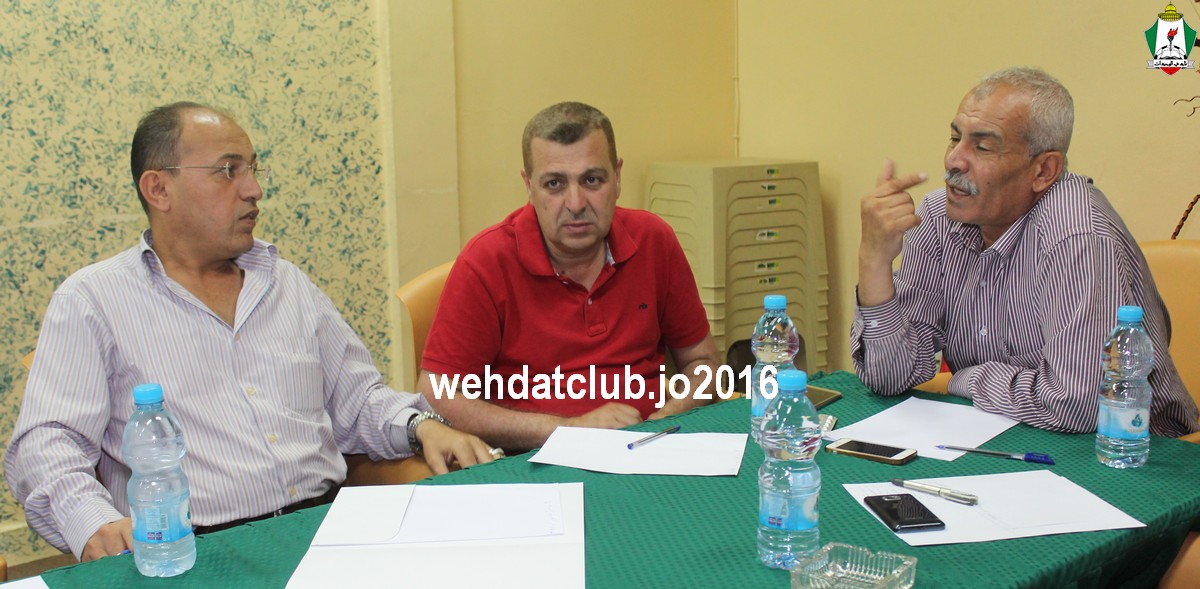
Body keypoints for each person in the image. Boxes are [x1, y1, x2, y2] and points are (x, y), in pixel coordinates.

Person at [5, 102, 495, 562]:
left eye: (254, 169)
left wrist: (421, 426)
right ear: (159, 190)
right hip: (197, 552)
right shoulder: (93, 299)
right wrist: (95, 523)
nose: (254, 189)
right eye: (228, 170)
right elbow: (48, 445)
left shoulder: (285, 282)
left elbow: (358, 400)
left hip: (326, 529)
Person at [853, 67, 1199, 437]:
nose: (954, 160)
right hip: (998, 432)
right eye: (955, 138)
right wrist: (874, 260)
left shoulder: (1077, 234)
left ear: (1044, 171)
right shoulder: (938, 217)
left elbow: (1076, 405)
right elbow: (889, 376)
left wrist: (970, 379)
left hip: (1131, 451)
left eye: (983, 147)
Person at [418, 102, 721, 450]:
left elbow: (704, 362)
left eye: (592, 180)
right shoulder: (486, 261)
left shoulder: (653, 240)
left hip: (649, 446)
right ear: (529, 186)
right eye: (555, 184)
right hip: (534, 458)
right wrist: (567, 429)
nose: (576, 203)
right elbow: (436, 395)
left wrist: (670, 414)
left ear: (617, 177)